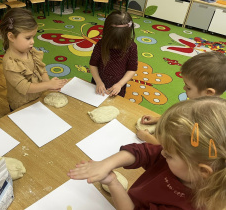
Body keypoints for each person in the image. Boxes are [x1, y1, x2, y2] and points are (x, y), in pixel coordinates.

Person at [68, 96, 226, 210]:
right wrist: (107, 164)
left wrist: (113, 183)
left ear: (203, 170)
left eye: (169, 154)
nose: (162, 153)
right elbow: (141, 151)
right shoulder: (187, 163)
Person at [137, 51, 226, 144]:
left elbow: (173, 149)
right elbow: (181, 115)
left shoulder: (204, 122)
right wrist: (157, 119)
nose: (184, 88)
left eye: (188, 87)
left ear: (208, 92)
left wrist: (147, 137)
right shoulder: (199, 103)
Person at [0, 8, 67, 111]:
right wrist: (48, 85)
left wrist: (49, 84)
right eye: (28, 38)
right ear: (11, 37)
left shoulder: (31, 51)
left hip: (37, 98)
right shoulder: (10, 62)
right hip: (21, 105)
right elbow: (25, 87)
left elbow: (41, 70)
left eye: (33, 37)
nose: (32, 42)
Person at [90, 10, 137, 97]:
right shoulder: (101, 44)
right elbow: (93, 65)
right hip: (98, 82)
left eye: (120, 43)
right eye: (112, 42)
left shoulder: (132, 47)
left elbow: (132, 69)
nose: (115, 47)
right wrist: (98, 82)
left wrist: (120, 84)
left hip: (118, 86)